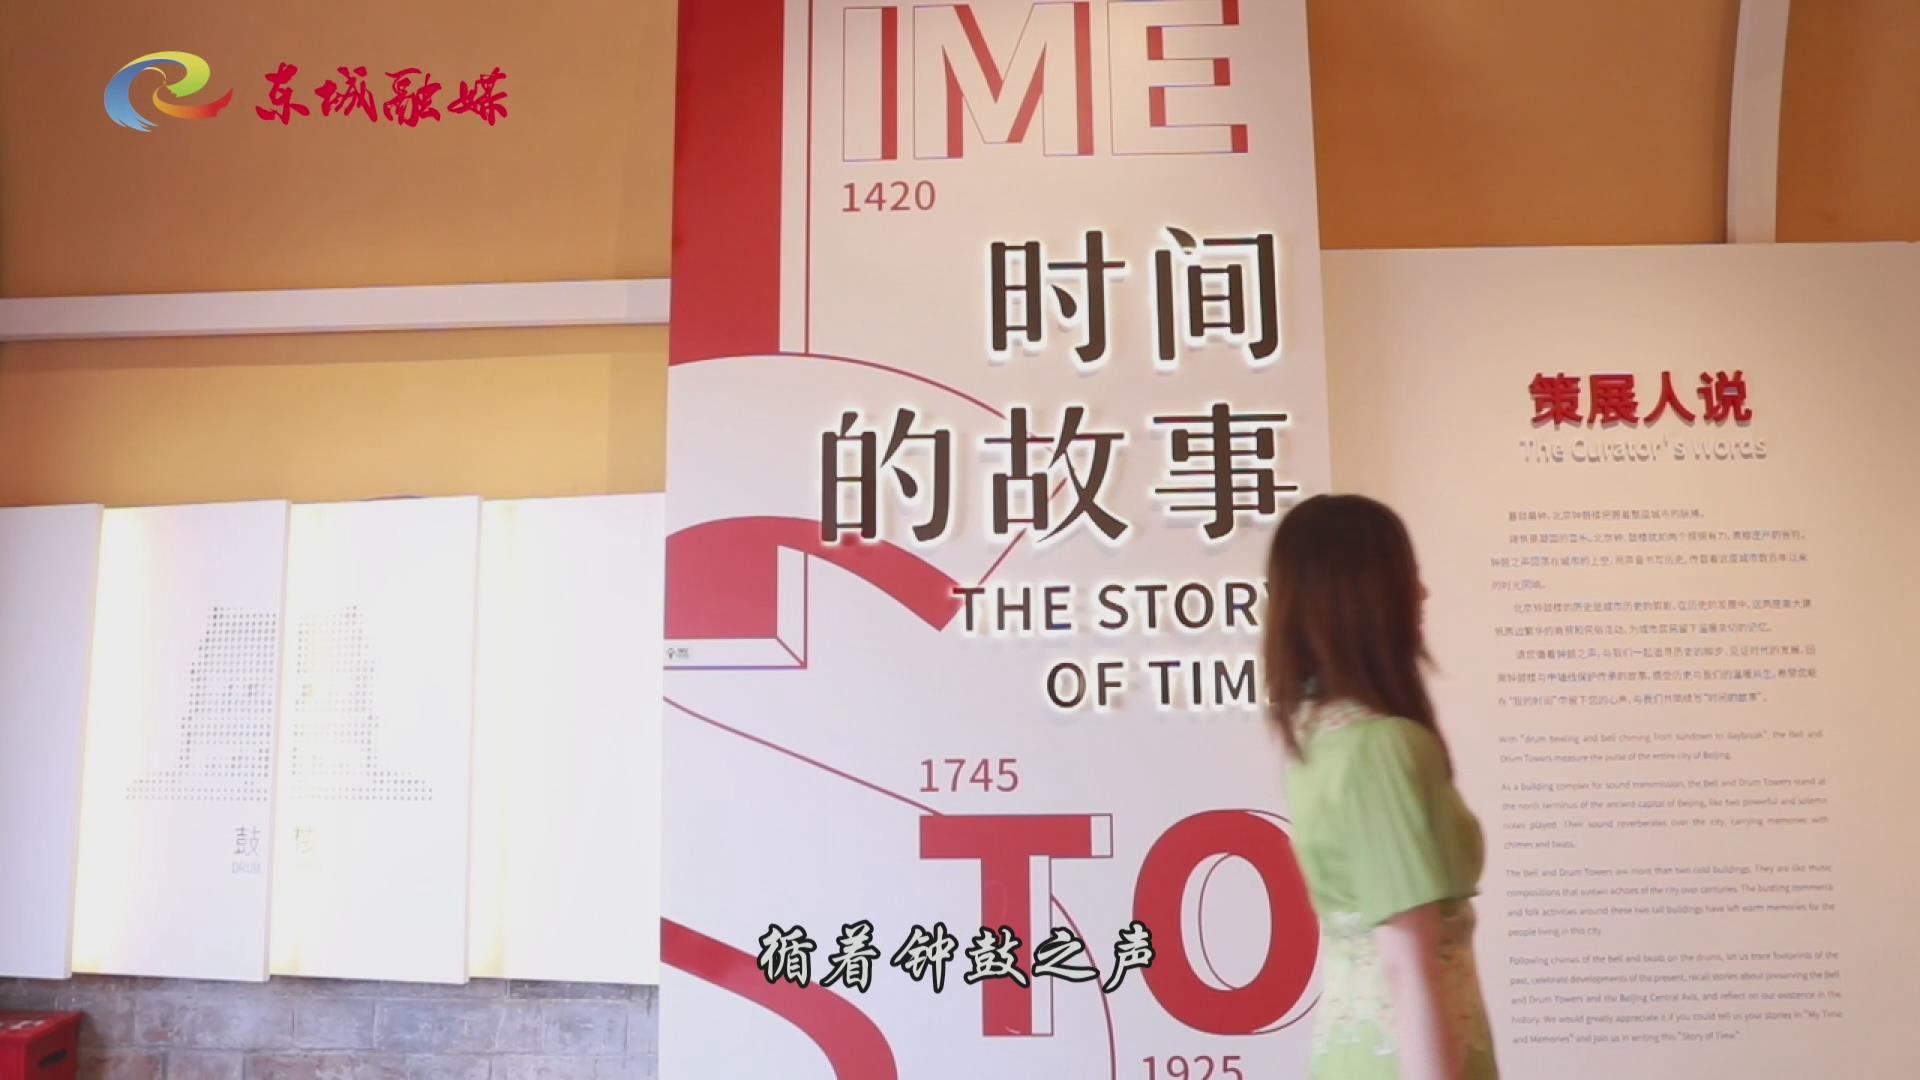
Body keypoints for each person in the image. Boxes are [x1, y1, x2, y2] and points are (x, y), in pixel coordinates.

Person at [1264, 494, 1497, 1080]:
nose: (1422, 594)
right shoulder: (1381, 747)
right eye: (1408, 575)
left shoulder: (1318, 738)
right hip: (1407, 1057)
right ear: (1368, 596)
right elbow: (1407, 963)